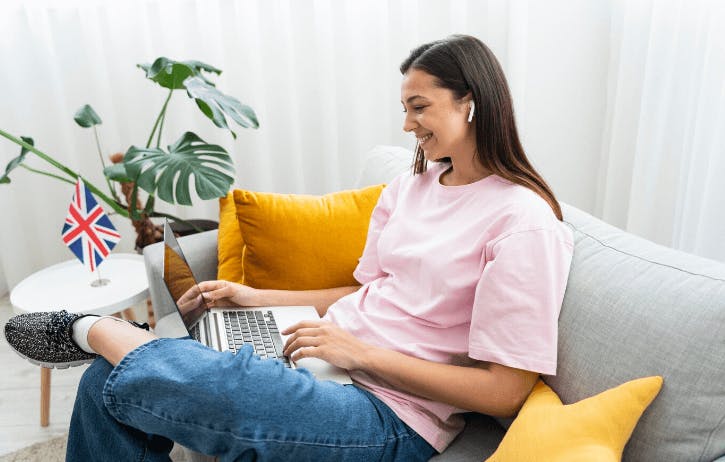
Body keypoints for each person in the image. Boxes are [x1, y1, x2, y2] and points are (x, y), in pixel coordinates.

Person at [4, 34, 573, 462]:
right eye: (405, 107)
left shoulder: (522, 221)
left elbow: (506, 390)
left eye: (419, 106)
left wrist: (361, 354)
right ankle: (106, 339)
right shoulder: (410, 187)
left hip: (393, 415)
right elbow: (365, 290)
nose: (407, 124)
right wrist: (256, 297)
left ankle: (93, 328)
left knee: (126, 367)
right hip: (328, 358)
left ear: (471, 102)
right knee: (104, 381)